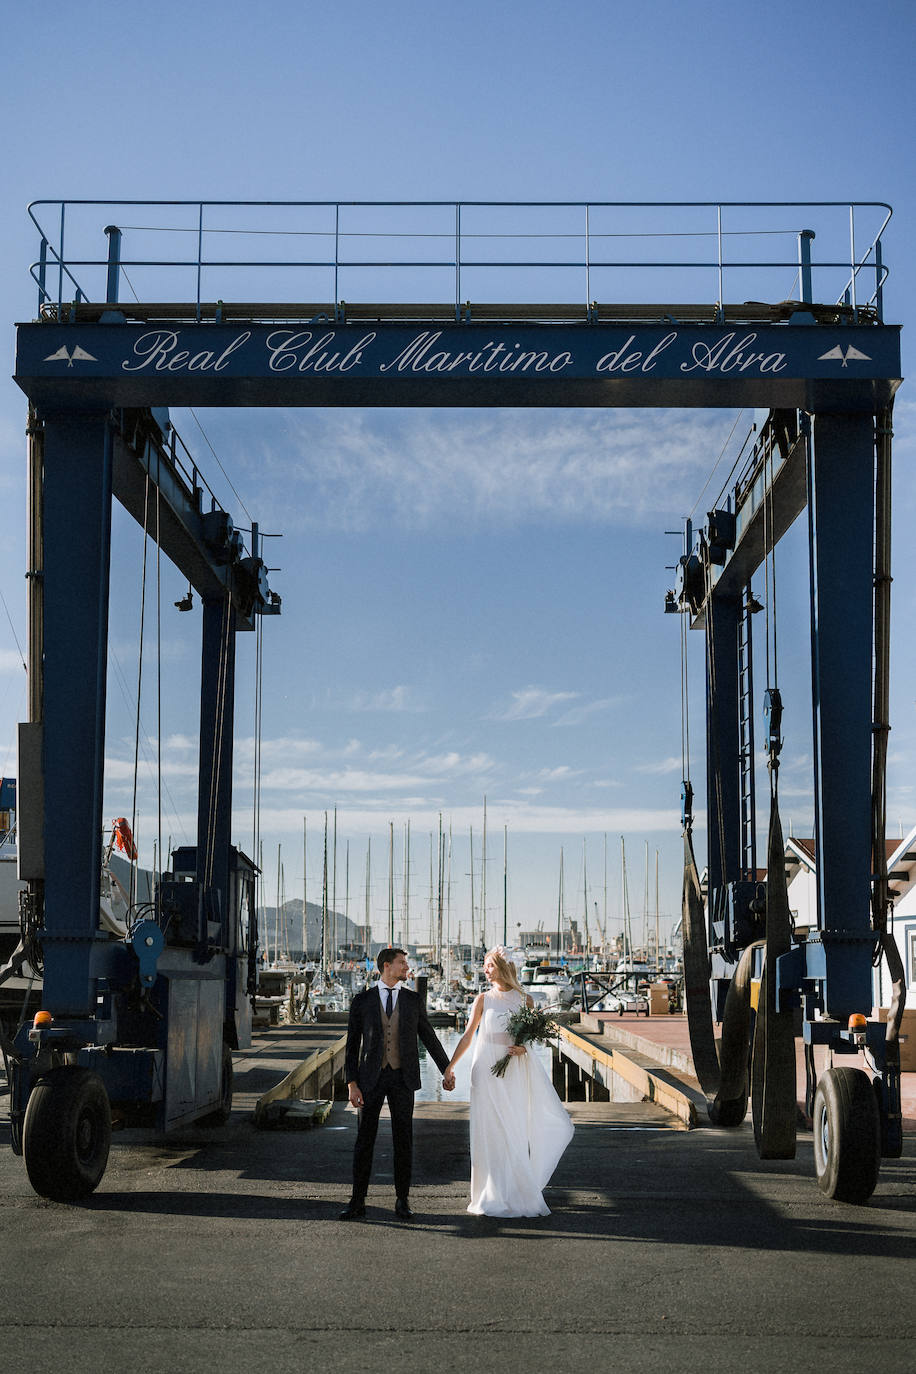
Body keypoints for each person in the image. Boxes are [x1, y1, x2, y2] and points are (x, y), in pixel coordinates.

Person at [446, 945, 573, 1217]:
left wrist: (524, 1046)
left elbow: (529, 1036)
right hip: (485, 1071)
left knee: (512, 1129)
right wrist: (450, 1067)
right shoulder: (483, 999)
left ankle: (516, 1191)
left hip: (513, 1069)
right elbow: (468, 1036)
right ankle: (489, 1192)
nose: (484, 969)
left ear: (502, 968)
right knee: (488, 1130)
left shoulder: (524, 1000)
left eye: (489, 965)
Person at [340, 946, 455, 1221]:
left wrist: (446, 1069)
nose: (406, 968)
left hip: (403, 1079)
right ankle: (357, 1201)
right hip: (370, 1079)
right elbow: (352, 1044)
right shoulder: (363, 1001)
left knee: (403, 1140)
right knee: (364, 1140)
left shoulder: (413, 1000)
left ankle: (402, 1201)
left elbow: (429, 1037)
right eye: (402, 963)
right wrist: (352, 1084)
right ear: (387, 966)